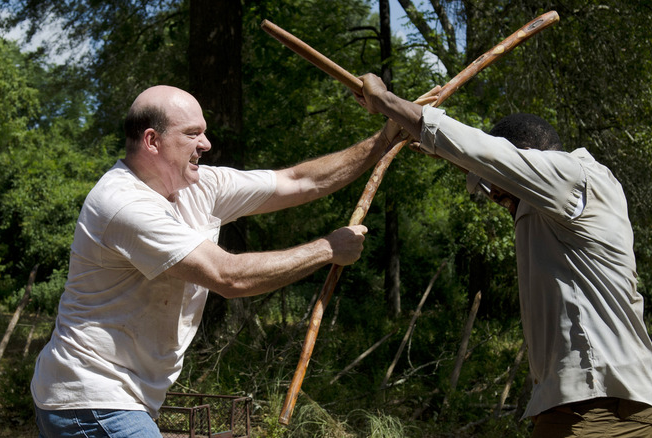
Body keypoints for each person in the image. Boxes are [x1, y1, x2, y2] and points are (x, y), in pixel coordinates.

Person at [30, 84, 432, 437]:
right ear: (152, 141)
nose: (205, 144)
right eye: (193, 134)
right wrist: (328, 248)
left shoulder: (199, 186)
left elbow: (299, 181)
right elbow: (228, 276)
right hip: (90, 396)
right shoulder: (124, 204)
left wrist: (383, 138)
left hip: (121, 399)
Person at [354, 73, 652, 437]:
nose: (498, 200)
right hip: (596, 402)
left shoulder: (572, 177)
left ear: (528, 160)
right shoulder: (559, 203)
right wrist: (424, 136)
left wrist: (386, 101)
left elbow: (489, 155)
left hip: (600, 402)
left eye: (501, 190)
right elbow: (490, 167)